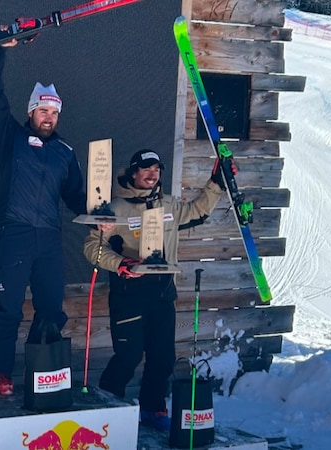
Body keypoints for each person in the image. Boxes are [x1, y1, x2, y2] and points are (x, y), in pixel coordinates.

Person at [83, 149, 231, 431]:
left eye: (157, 169)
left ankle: (152, 409)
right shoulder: (113, 209)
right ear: (133, 173)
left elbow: (198, 211)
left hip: (162, 294)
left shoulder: (169, 206)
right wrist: (119, 262)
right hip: (129, 294)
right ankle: (106, 408)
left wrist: (217, 183)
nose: (152, 174)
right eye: (146, 169)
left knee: (162, 359)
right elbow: (92, 247)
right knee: (128, 357)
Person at [0, 38, 87, 397]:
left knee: (51, 311)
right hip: (15, 232)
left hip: (49, 239)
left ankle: (39, 370)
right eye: (43, 111)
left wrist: (99, 214)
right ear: (31, 112)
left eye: (54, 112)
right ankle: (2, 373)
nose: (49, 117)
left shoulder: (65, 153)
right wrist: (0, 51)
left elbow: (76, 197)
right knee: (8, 309)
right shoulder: (12, 136)